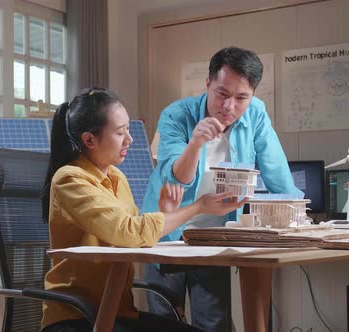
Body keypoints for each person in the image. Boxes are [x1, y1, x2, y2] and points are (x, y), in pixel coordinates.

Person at [40, 87, 247, 332]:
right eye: (120, 133)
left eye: (128, 129)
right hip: (77, 318)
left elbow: (138, 236)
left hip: (118, 312)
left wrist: (167, 212)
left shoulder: (116, 177)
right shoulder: (69, 179)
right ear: (89, 140)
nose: (130, 139)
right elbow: (130, 232)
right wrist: (199, 207)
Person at [141, 47, 303, 331]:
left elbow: (275, 169)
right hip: (167, 231)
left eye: (242, 97)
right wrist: (196, 143)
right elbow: (176, 178)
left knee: (214, 322)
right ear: (207, 84)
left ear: (252, 94)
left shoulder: (256, 114)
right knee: (164, 320)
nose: (230, 106)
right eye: (222, 94)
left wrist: (298, 217)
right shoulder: (177, 115)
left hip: (212, 238)